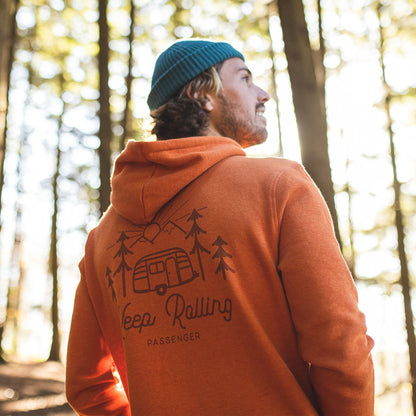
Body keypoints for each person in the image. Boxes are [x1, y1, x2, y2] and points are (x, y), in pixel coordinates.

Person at [66, 39, 374, 416]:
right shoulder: (279, 187)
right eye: (245, 78)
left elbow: (86, 385)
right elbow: (340, 347)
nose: (262, 94)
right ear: (202, 94)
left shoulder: (101, 239)